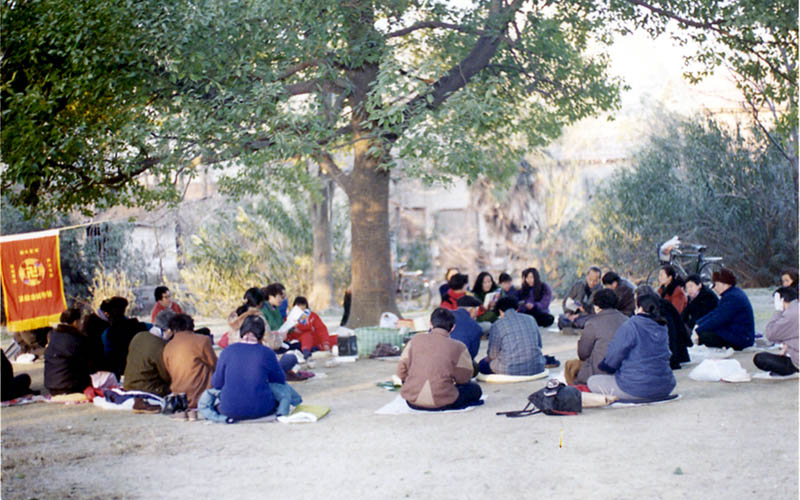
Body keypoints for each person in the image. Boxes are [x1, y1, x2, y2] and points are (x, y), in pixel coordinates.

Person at [587, 287, 676, 401]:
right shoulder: (662, 327)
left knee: (592, 381)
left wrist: (607, 367)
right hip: (665, 386)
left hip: (636, 387)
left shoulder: (631, 325)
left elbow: (615, 354)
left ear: (640, 308)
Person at [397, 308, 482, 411]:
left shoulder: (415, 340)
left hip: (412, 401)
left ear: (430, 324)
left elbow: (401, 370)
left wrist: (410, 381)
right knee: (475, 389)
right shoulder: (459, 346)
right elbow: (464, 378)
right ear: (453, 327)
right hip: (444, 401)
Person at [211, 315, 289, 421]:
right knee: (282, 392)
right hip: (262, 409)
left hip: (229, 409)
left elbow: (216, 383)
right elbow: (280, 380)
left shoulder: (227, 351)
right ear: (262, 334)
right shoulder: (267, 353)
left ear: (241, 331)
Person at [563, 289, 628, 386]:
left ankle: (577, 390)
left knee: (570, 366)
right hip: (625, 373)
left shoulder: (592, 323)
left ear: (596, 306)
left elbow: (583, 354)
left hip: (601, 374)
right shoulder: (627, 320)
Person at [478, 296, 546, 376]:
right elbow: (539, 345)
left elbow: (492, 355)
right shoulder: (530, 319)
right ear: (517, 308)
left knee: (482, 364)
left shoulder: (497, 324)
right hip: (537, 367)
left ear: (500, 311)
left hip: (509, 369)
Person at [162, 314, 217, 410]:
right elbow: (215, 365)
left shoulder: (168, 346)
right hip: (201, 396)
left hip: (180, 398)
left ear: (173, 329)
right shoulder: (203, 340)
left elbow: (168, 371)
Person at [694, 269, 755, 350]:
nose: (714, 288)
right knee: (705, 331)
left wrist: (698, 329)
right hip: (737, 333)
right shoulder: (732, 294)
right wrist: (698, 323)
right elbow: (715, 313)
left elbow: (718, 319)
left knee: (705, 335)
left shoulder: (732, 298)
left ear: (724, 284)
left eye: (716, 284)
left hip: (741, 338)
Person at [123, 309, 174, 397]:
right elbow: (166, 376)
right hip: (147, 390)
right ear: (169, 330)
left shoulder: (138, 336)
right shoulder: (161, 345)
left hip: (128, 385)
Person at [44, 308, 95, 395]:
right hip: (70, 386)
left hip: (51, 385)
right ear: (75, 322)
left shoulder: (53, 336)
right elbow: (88, 365)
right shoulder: (77, 339)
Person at [753, 287, 798, 376]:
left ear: (781, 301)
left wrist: (778, 311)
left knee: (760, 358)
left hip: (797, 363)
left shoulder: (792, 313)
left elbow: (770, 334)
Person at [103, 297, 149, 379]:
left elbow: (107, 355)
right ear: (124, 310)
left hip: (120, 373)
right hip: (140, 369)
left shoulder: (107, 333)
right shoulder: (140, 326)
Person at [558, 266, 603, 330]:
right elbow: (566, 301)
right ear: (587, 276)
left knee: (591, 320)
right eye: (590, 279)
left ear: (599, 279)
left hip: (587, 316)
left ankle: (572, 325)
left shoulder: (601, 291)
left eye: (595, 281)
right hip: (573, 314)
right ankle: (572, 324)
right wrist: (568, 313)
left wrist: (579, 315)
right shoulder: (578, 285)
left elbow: (597, 310)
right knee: (562, 318)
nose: (592, 283)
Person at [450, 296, 483, 360]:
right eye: (477, 310)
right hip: (459, 362)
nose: (477, 313)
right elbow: (471, 355)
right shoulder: (476, 327)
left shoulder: (443, 315)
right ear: (472, 309)